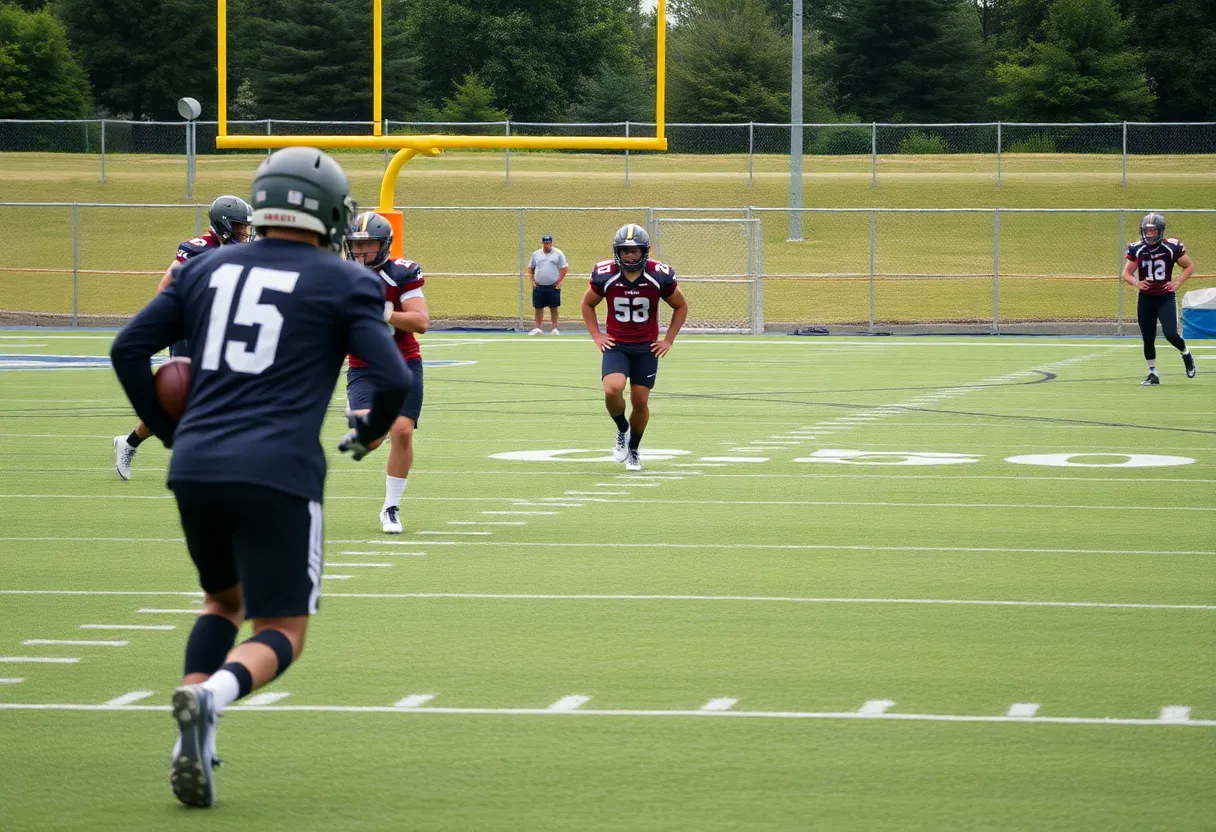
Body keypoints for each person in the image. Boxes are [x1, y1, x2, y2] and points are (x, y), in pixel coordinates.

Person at [110, 147, 410, 809]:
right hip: (278, 469)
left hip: (195, 468)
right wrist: (365, 432)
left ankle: (189, 734)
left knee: (223, 601)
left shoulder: (204, 267)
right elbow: (391, 376)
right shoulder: (345, 280)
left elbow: (128, 347)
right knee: (283, 631)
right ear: (330, 211)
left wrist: (167, 434)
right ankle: (212, 696)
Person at [113, 195, 254, 480]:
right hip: (188, 332)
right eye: (239, 227)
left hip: (218, 334)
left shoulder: (237, 253)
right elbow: (165, 285)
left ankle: (128, 442)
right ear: (223, 225)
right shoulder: (199, 249)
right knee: (183, 398)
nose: (244, 233)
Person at [344, 211, 429, 534]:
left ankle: (390, 508)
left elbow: (420, 321)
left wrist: (383, 312)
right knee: (373, 438)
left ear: (383, 245)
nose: (361, 251)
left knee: (403, 431)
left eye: (368, 244)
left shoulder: (401, 273)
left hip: (403, 362)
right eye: (357, 244)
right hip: (365, 366)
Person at [581, 223, 688, 472]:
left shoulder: (658, 275)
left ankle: (635, 450)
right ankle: (621, 429)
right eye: (625, 250)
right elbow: (587, 304)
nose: (630, 255)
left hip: (646, 347)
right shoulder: (605, 274)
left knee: (640, 402)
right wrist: (597, 335)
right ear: (617, 252)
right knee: (612, 389)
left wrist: (669, 339)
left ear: (645, 251)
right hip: (617, 345)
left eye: (635, 250)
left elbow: (680, 306)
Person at [1123, 212, 1197, 385]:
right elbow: (1126, 273)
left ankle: (1186, 353)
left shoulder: (1171, 247)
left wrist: (1178, 282)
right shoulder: (1137, 248)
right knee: (1147, 338)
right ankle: (1153, 373)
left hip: (1165, 298)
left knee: (1171, 334)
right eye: (1146, 231)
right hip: (1146, 299)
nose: (1149, 234)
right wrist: (1136, 282)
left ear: (1160, 231)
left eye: (1153, 231)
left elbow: (1189, 265)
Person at [527, 234, 568, 335]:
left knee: (554, 307)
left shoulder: (558, 253)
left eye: (549, 243)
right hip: (539, 286)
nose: (547, 245)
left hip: (553, 286)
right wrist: (532, 281)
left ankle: (554, 329)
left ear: (551, 243)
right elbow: (531, 268)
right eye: (545, 243)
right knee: (538, 307)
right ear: (542, 243)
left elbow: (564, 268)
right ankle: (538, 328)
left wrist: (559, 281)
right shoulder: (536, 254)